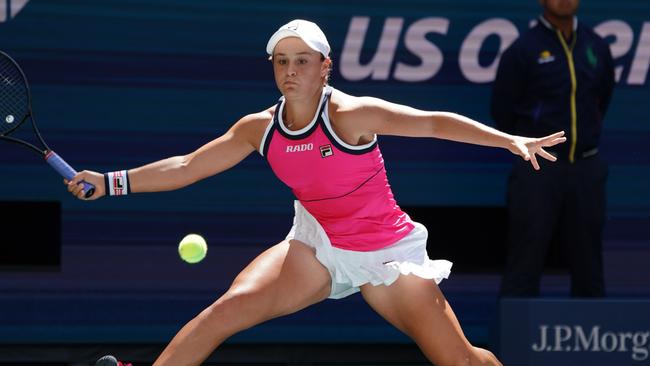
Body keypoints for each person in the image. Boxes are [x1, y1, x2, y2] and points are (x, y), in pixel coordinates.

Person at [68, 19, 565, 366]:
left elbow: (432, 123)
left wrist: (509, 140)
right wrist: (111, 182)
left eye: (302, 61)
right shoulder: (258, 128)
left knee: (459, 360)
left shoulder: (350, 114)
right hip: (317, 245)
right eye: (282, 61)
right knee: (227, 309)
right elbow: (188, 166)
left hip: (385, 255)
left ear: (325, 66)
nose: (291, 71)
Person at [492, 0, 615, 298]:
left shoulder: (596, 46)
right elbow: (502, 110)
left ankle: (593, 338)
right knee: (526, 256)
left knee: (589, 263)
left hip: (586, 166)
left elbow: (602, 98)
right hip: (538, 168)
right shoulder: (524, 49)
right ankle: (516, 340)